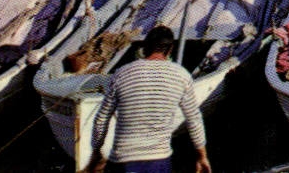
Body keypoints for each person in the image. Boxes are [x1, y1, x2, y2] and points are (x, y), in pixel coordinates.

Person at [85, 25, 210, 173]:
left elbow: (101, 118)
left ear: (144, 47)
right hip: (158, 161)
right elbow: (194, 119)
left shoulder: (121, 74)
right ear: (170, 50)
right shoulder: (181, 76)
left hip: (123, 160)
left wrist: (96, 151)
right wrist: (202, 156)